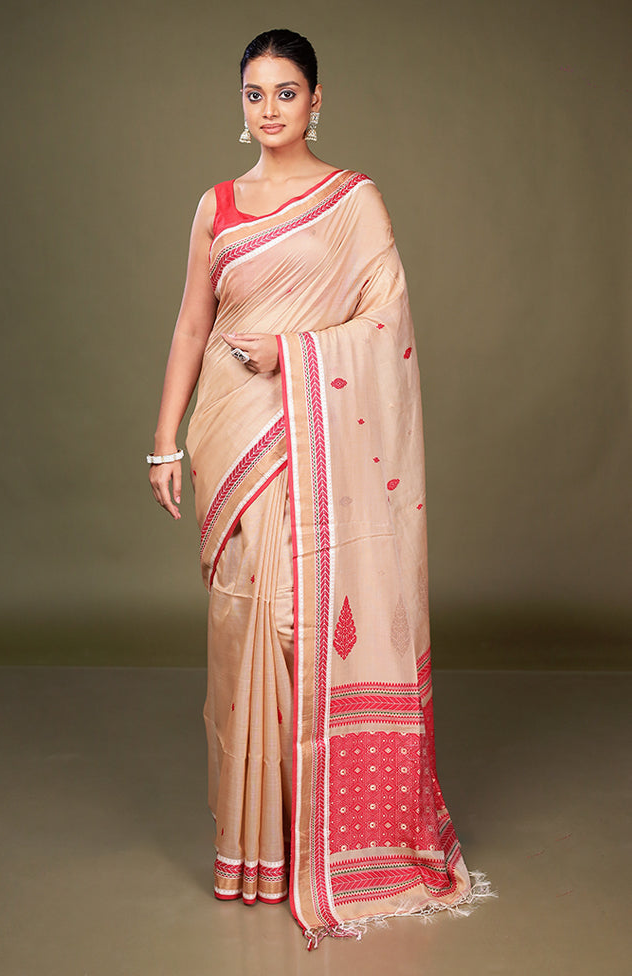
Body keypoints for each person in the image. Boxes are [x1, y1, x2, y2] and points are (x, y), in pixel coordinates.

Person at [148, 28, 493, 947]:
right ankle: (254, 849)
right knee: (241, 628)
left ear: (316, 99)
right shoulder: (216, 206)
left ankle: (328, 839)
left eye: (286, 92)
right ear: (242, 103)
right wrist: (163, 444)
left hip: (314, 439)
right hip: (234, 439)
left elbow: (387, 323)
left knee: (301, 625)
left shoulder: (353, 202)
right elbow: (190, 327)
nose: (269, 109)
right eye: (254, 93)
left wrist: (291, 352)